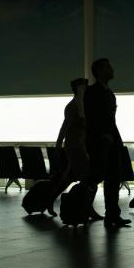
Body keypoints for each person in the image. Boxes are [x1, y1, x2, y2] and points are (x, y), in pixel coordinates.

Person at [84, 58, 131, 228]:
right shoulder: (94, 92)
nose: (112, 69)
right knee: (97, 176)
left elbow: (109, 120)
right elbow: (92, 118)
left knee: (112, 178)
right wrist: (103, 136)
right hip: (100, 142)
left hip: (110, 140)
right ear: (99, 71)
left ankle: (112, 215)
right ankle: (85, 208)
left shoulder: (107, 93)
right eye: (108, 67)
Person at [47, 78, 97, 217]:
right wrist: (58, 145)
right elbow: (65, 127)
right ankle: (87, 208)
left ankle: (50, 200)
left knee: (69, 178)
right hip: (75, 147)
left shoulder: (81, 106)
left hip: (79, 146)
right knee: (89, 177)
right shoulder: (73, 107)